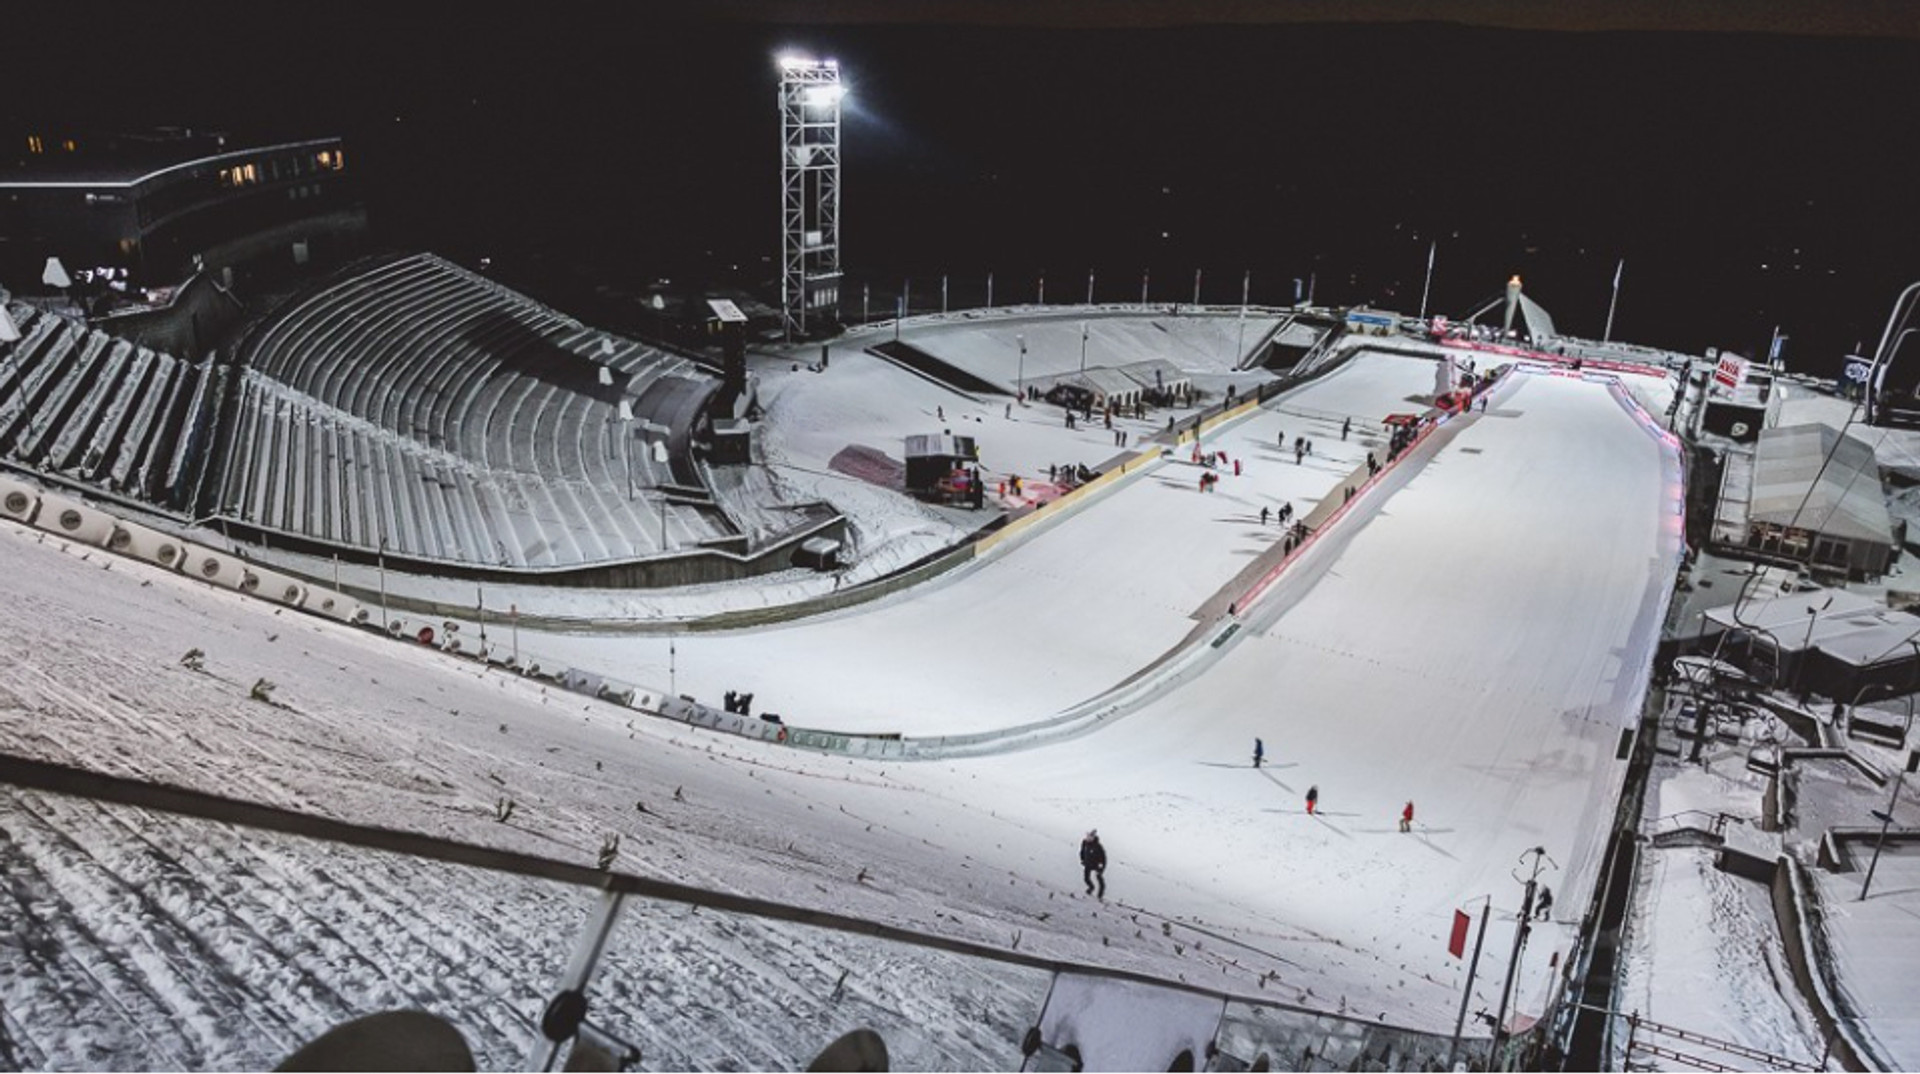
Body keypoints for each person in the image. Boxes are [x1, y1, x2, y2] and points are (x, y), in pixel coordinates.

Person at [1080, 830, 1107, 897]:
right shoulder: (1084, 843)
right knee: (1086, 879)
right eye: (1087, 837)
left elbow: (1103, 858)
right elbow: (1082, 851)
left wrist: (1101, 868)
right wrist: (1083, 859)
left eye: (1090, 837)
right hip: (1088, 863)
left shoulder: (1098, 846)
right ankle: (1091, 888)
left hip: (1097, 864)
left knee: (1100, 881)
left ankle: (1100, 896)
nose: (1088, 838)